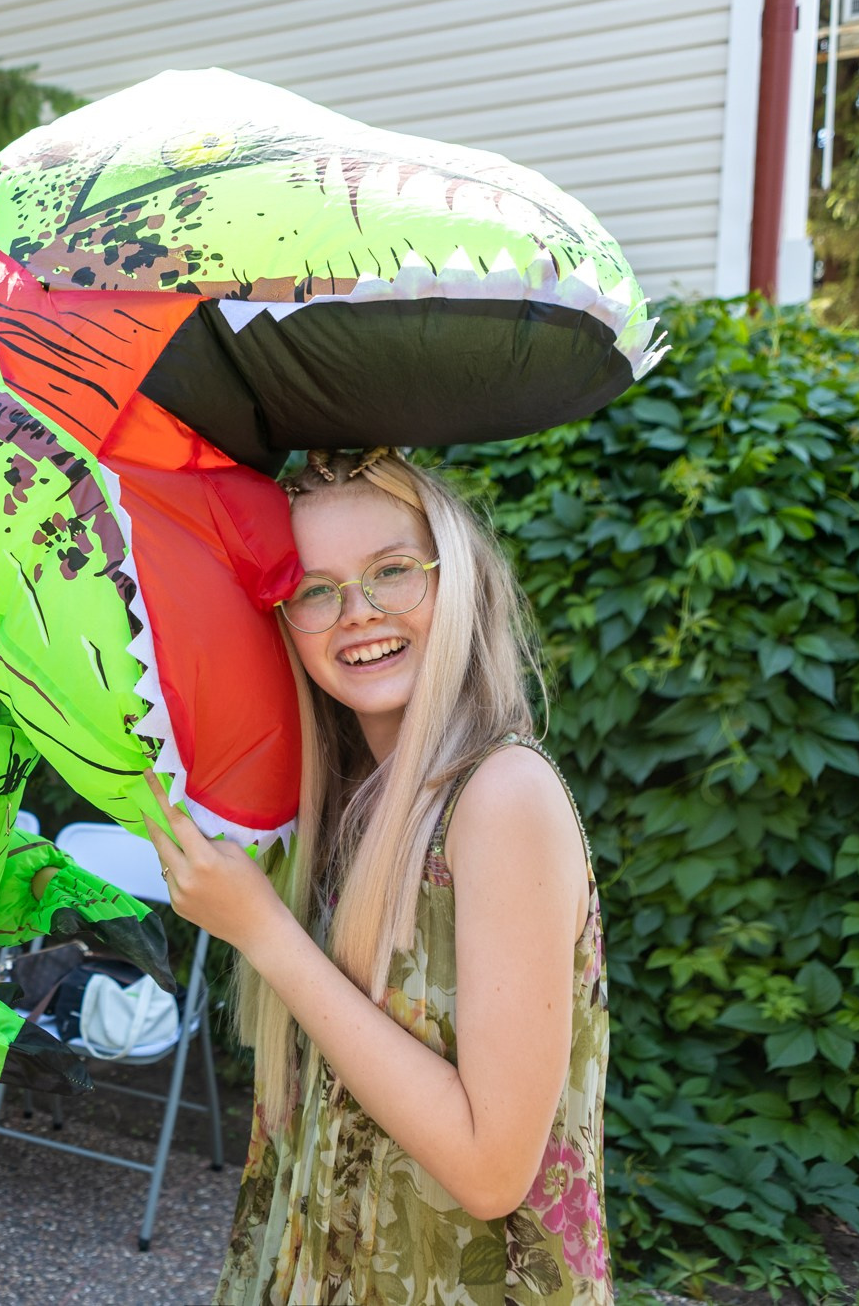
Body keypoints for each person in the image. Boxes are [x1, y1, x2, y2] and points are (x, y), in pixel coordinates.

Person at [142, 449, 611, 1304]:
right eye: (315, 590)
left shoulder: (502, 797)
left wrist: (262, 931)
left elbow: (491, 1168)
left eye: (392, 572)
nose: (356, 613)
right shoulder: (346, 808)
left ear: (456, 577)